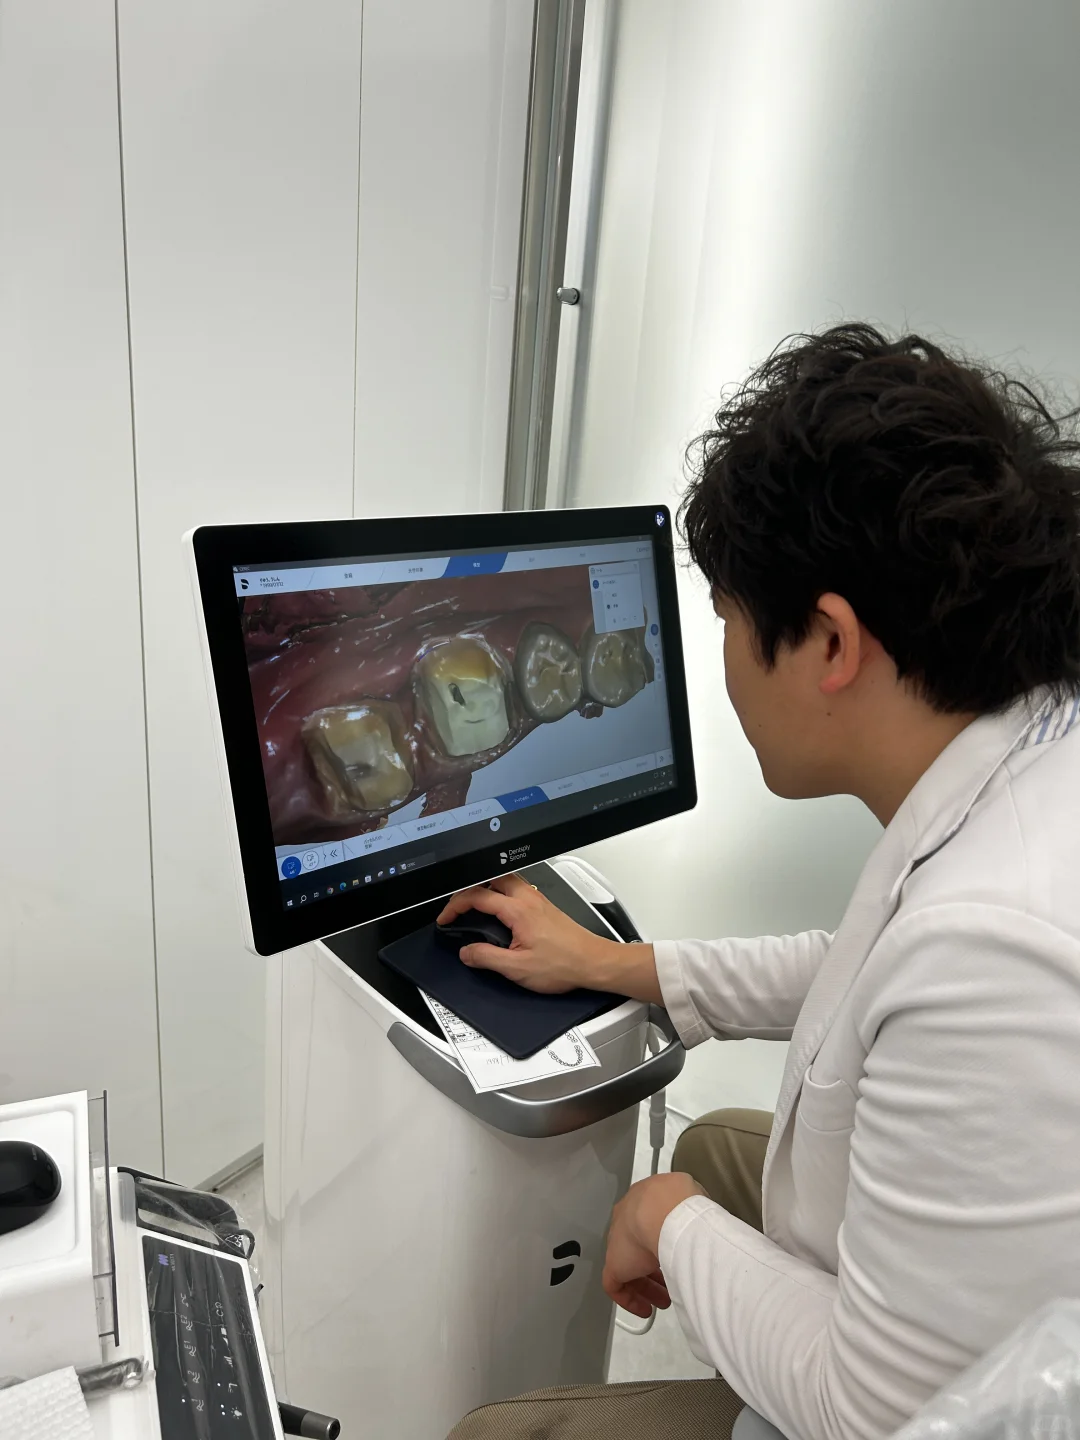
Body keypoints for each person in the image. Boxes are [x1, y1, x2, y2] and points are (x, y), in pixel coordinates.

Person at [440, 324, 1080, 1440]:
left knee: (502, 1433)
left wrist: (670, 1223)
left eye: (731, 623)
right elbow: (863, 966)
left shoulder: (994, 948)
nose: (726, 665)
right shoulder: (1026, 745)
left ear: (830, 643)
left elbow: (875, 1414)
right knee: (717, 1146)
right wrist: (616, 964)